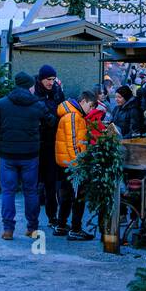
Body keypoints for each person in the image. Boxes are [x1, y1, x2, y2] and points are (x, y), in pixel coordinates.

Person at [0, 71, 48, 240]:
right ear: (29, 86)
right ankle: (32, 228)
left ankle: (8, 230)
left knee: (7, 192)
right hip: (31, 155)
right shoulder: (37, 104)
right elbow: (50, 122)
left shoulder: (2, 104)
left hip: (7, 155)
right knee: (31, 191)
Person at [54, 95, 94, 240]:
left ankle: (61, 225)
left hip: (66, 162)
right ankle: (75, 229)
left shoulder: (71, 114)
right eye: (90, 106)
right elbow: (72, 142)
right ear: (83, 101)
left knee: (66, 196)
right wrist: (79, 163)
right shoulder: (73, 116)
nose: (90, 110)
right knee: (77, 196)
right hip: (73, 164)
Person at [33, 64, 63, 227]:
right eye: (48, 79)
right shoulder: (34, 93)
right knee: (36, 183)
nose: (51, 82)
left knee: (51, 183)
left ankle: (52, 216)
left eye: (53, 79)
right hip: (37, 143)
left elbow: (62, 110)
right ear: (41, 79)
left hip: (53, 142)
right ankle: (33, 220)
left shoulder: (57, 91)